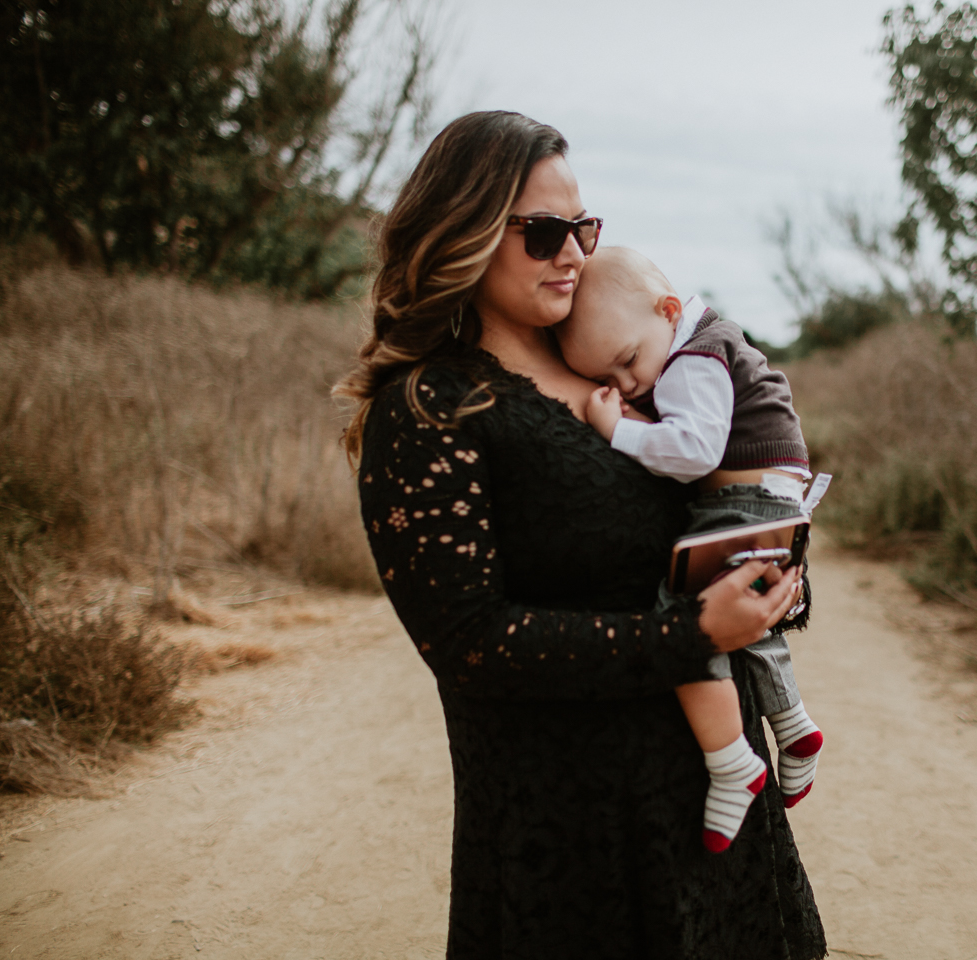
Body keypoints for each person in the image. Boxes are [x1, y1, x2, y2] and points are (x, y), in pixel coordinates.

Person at [334, 111, 827, 960]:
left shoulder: (631, 373)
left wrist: (774, 584)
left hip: (716, 807)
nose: (575, 253)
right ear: (469, 233)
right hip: (567, 827)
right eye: (545, 232)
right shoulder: (430, 410)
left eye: (584, 227)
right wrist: (691, 633)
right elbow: (469, 642)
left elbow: (715, 516)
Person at [555, 248, 827, 853]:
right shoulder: (688, 344)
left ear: (669, 310)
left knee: (683, 613)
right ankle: (793, 724)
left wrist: (617, 428)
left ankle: (730, 759)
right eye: (610, 380)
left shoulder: (691, 360)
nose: (629, 384)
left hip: (749, 499)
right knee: (748, 617)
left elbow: (697, 451)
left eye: (628, 362)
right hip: (769, 498)